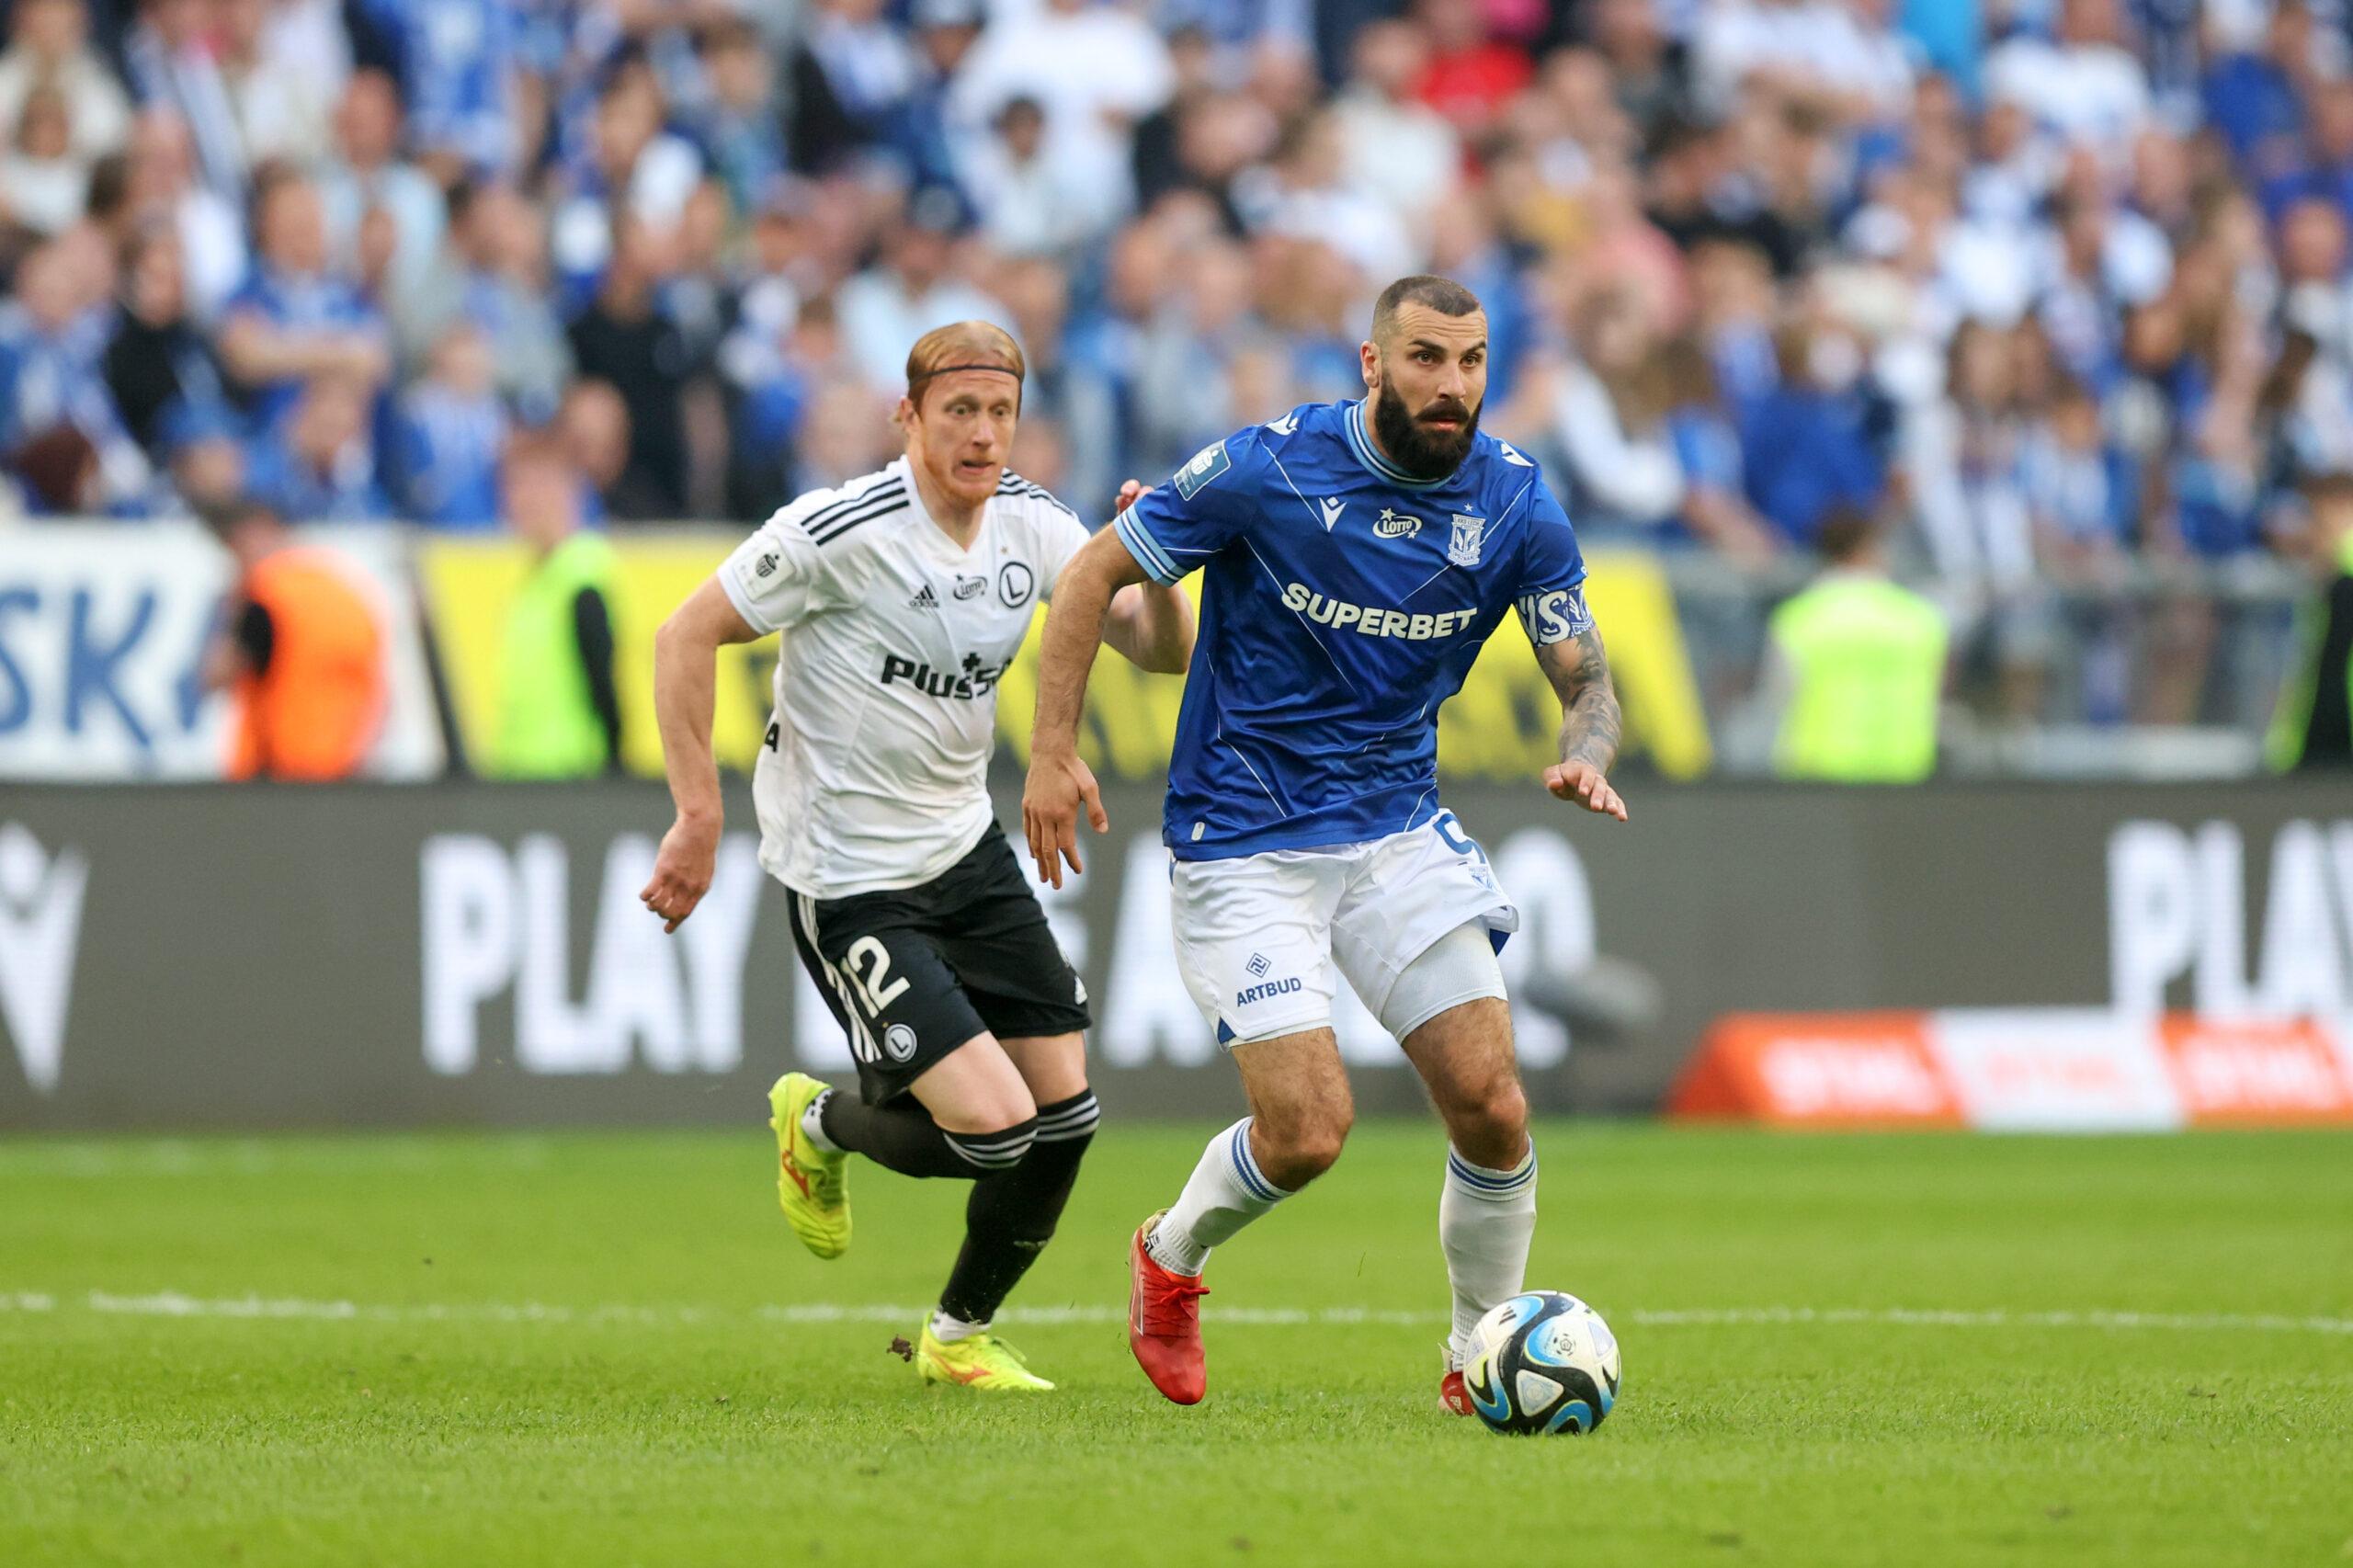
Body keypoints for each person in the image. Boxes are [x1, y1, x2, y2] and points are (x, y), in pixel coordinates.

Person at [1021, 275, 1627, 1413]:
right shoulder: (1270, 466)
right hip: (1243, 838)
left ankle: (1471, 1353)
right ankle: (1169, 1253)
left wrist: (1585, 742)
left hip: (1394, 827)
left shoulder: (1514, 503)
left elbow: (1585, 671)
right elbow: (1096, 569)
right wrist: (1052, 751)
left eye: (1471, 362)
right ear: (1370, 362)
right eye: (1426, 360)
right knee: (1307, 1132)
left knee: (1492, 1102)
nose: (1452, 388)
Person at [638, 320, 1194, 1392]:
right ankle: (818, 1121)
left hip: (964, 848)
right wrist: (697, 814)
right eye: (959, 413)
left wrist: (1156, 566)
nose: (983, 436)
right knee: (995, 1129)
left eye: (1000, 414)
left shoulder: (1033, 525)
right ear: (909, 417)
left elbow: (1159, 649)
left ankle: (956, 1333)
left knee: (1065, 1116)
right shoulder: (839, 529)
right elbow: (683, 634)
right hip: (847, 876)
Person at [201, 496, 386, 780]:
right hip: (345, 762)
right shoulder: (343, 590)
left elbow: (215, 676)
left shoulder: (266, 596)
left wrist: (233, 609)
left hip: (280, 766)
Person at [1760, 509, 1949, 782]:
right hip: (1905, 774)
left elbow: (1775, 701)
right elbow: (1936, 695)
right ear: (1870, 549)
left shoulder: (1799, 619)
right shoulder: (1921, 618)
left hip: (1819, 776)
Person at [486, 436, 622, 778]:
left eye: (536, 485)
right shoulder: (532, 581)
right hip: (521, 775)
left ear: (567, 490)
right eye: (514, 487)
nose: (521, 500)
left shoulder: (583, 577)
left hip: (572, 774)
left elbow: (606, 687)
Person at [2266, 472, 2353, 770]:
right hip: (2318, 746)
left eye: (2316, 512)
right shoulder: (2326, 584)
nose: (2310, 526)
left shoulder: (2341, 579)